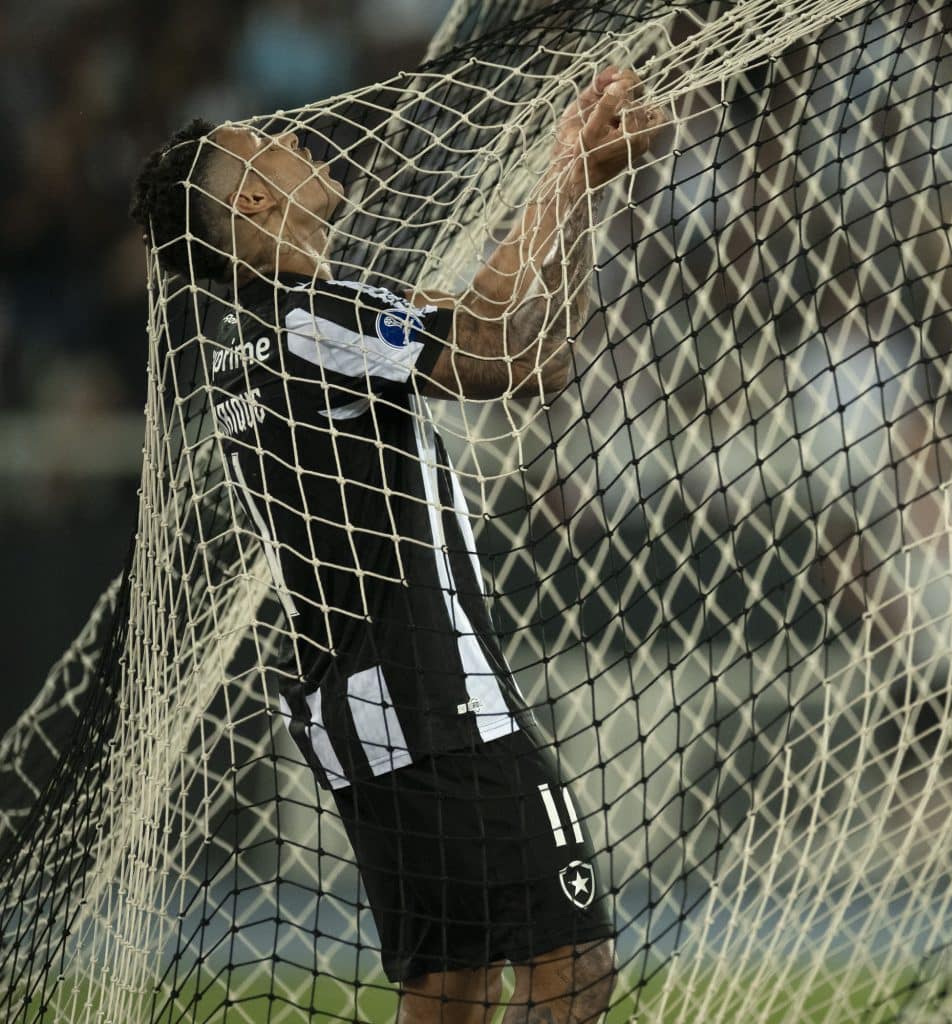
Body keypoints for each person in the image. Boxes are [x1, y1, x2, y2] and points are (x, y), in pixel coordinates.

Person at [128, 67, 662, 1024]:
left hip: (362, 712)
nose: (298, 140)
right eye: (271, 144)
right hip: (435, 698)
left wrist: (577, 195)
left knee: (452, 984)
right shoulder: (308, 314)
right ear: (253, 200)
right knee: (574, 967)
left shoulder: (252, 337)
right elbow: (506, 348)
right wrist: (569, 170)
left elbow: (535, 352)